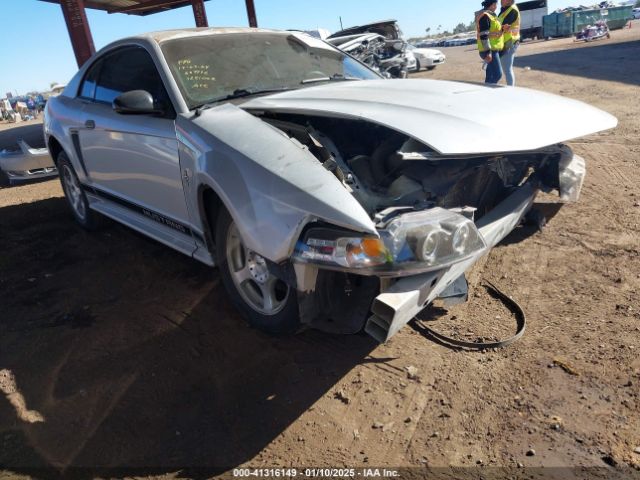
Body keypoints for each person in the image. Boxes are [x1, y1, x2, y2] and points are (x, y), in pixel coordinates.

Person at [476, 0, 504, 84]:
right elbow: (484, 35)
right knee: (498, 74)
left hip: (493, 48)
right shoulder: (485, 16)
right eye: (496, 4)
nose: (496, 6)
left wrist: (503, 29)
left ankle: (486, 91)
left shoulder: (492, 15)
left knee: (490, 75)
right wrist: (488, 52)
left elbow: (494, 31)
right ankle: (488, 91)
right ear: (492, 4)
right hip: (489, 50)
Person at [499, 0, 521, 86]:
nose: (501, 1)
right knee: (506, 68)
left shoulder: (512, 10)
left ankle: (511, 90)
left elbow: (503, 26)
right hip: (505, 41)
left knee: (507, 69)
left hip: (510, 41)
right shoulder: (505, 9)